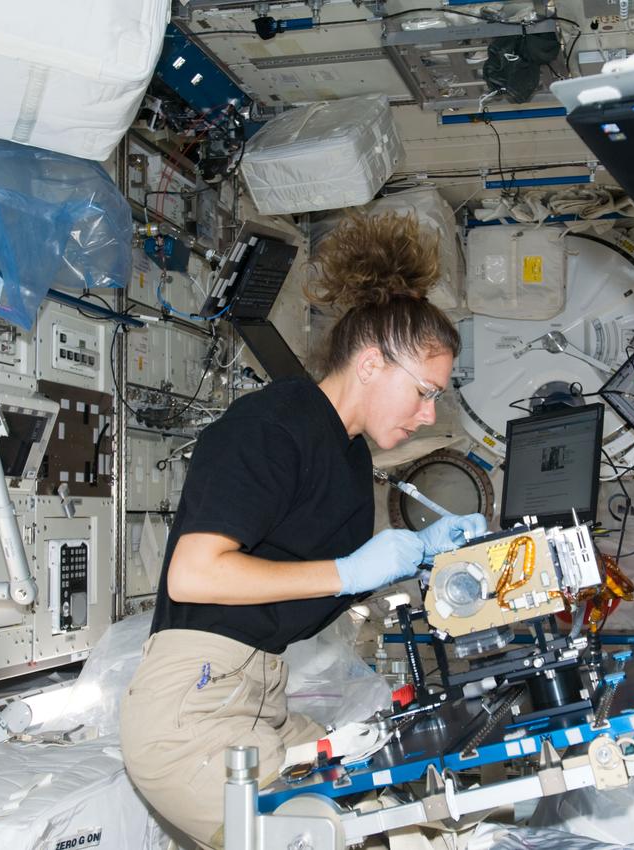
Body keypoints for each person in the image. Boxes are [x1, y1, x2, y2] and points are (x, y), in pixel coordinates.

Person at [119, 211, 488, 848]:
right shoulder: (274, 422)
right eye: (424, 392)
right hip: (193, 712)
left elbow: (304, 587)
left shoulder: (348, 456)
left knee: (422, 817)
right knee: (354, 837)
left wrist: (426, 563)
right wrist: (352, 571)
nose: (429, 416)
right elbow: (195, 572)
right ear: (372, 364)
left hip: (260, 698)